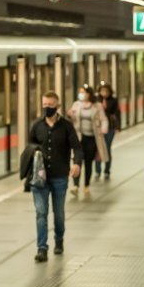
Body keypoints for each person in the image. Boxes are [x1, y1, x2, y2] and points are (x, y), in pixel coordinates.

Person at [29, 91, 82, 262]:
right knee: (41, 212)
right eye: (44, 105)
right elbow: (29, 150)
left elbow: (77, 147)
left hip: (60, 177)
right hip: (40, 179)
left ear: (57, 106)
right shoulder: (36, 126)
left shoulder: (66, 126)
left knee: (58, 213)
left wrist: (76, 163)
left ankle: (59, 240)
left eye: (50, 106)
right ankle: (41, 248)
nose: (47, 109)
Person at [67, 86, 108, 194]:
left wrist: (103, 128)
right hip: (79, 138)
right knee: (77, 162)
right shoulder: (76, 104)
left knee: (89, 162)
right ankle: (75, 185)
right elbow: (72, 118)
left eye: (83, 92)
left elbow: (104, 119)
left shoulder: (97, 106)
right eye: (80, 92)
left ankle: (86, 185)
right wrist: (70, 115)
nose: (81, 94)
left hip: (92, 138)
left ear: (89, 94)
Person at [96, 83, 121, 181]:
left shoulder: (113, 101)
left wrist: (118, 127)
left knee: (107, 147)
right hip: (99, 128)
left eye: (106, 91)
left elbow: (117, 114)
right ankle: (97, 171)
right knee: (98, 149)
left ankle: (107, 170)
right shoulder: (97, 100)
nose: (104, 93)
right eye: (102, 91)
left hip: (110, 127)